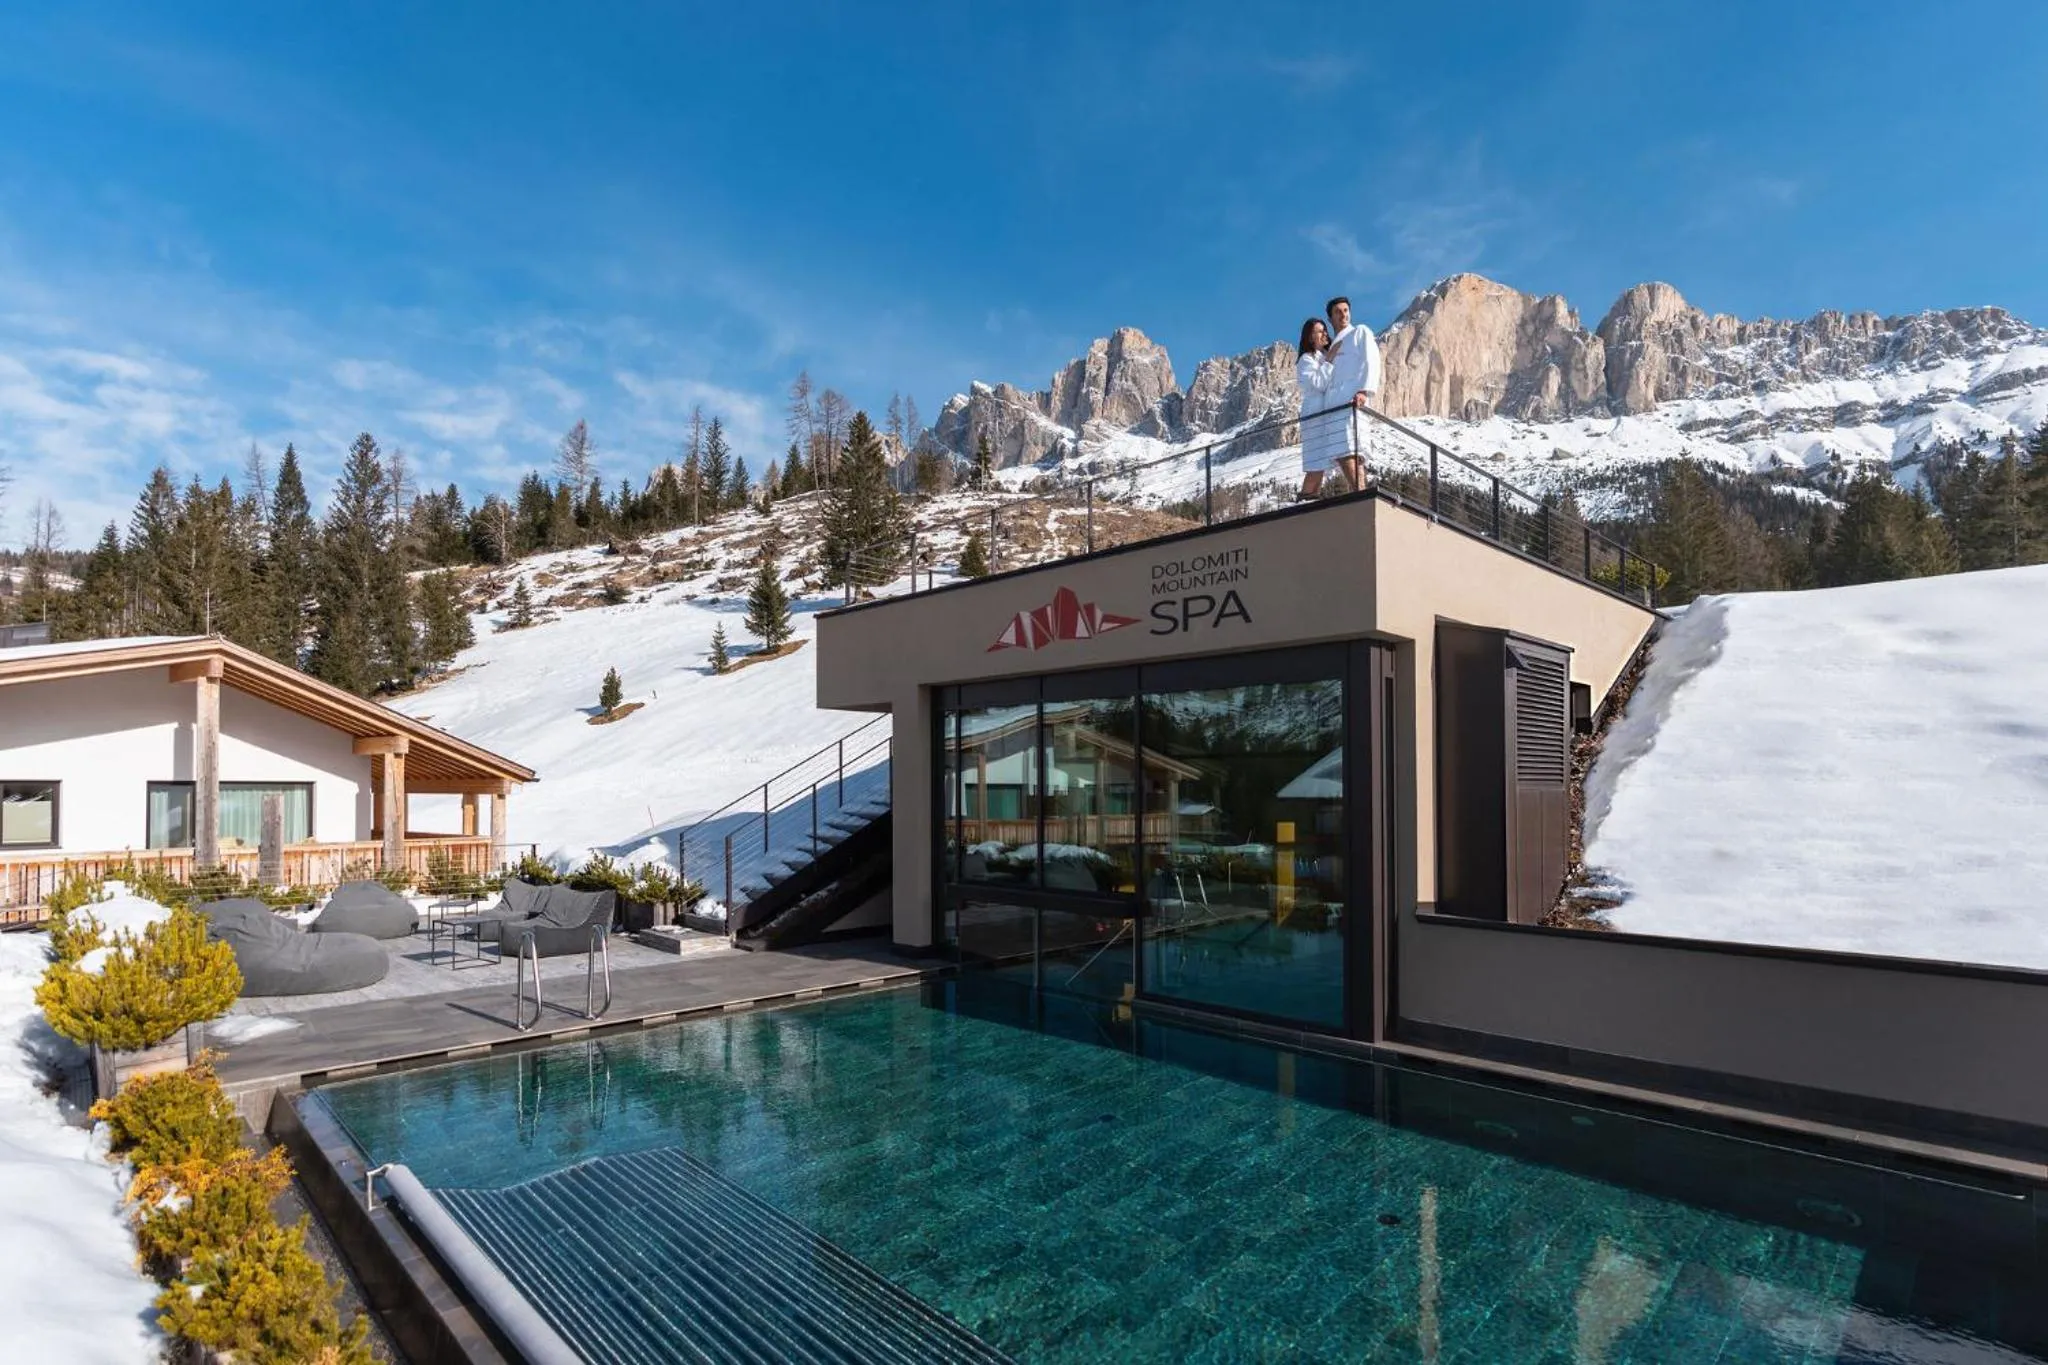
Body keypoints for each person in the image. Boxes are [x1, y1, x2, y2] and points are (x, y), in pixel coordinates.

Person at [1323, 295, 1382, 494]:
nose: (1343, 315)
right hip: (1334, 404)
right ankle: (1358, 492)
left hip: (1351, 398)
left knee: (1350, 448)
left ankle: (1360, 493)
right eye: (1338, 312)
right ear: (1330, 318)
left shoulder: (1360, 332)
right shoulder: (1331, 347)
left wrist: (1364, 391)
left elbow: (1371, 360)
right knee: (1343, 451)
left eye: (1346, 310)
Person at [1295, 318, 1337, 499]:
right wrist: (1330, 360)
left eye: (1325, 330)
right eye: (1319, 331)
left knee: (1322, 463)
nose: (1325, 333)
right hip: (1315, 416)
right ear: (1310, 337)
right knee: (1316, 463)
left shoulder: (1322, 358)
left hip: (1326, 414)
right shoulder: (1306, 360)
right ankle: (1304, 501)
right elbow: (1318, 383)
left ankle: (1312, 499)